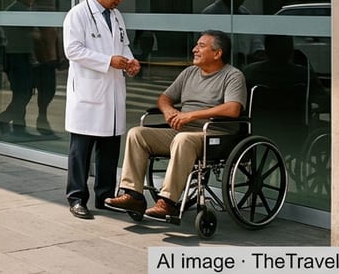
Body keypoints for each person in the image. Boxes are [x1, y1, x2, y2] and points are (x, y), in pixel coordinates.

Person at [105, 30, 247, 219]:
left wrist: (191, 116)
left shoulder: (232, 76)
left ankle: (167, 202)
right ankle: (133, 195)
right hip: (183, 132)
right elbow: (165, 97)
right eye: (196, 45)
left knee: (182, 139)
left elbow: (233, 109)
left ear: (217, 53)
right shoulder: (189, 72)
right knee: (137, 134)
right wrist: (169, 111)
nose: (195, 49)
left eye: (201, 46)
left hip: (215, 135)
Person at [63, 0, 139, 220]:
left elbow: (123, 44)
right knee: (80, 152)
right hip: (88, 93)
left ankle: (105, 196)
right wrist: (108, 61)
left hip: (112, 92)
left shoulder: (116, 16)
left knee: (109, 149)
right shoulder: (78, 14)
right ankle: (77, 198)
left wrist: (130, 61)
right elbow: (72, 50)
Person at [0, 0, 37, 135]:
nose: (32, 0)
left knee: (21, 92)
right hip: (18, 55)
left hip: (14, 54)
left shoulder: (12, 9)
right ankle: (5, 119)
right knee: (23, 93)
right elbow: (31, 32)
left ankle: (19, 126)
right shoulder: (20, 10)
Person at [202, 0, 264, 64]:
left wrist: (257, 54)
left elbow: (256, 44)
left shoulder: (246, 15)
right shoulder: (210, 15)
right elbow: (204, 51)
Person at [31, 0, 64, 135]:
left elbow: (57, 36)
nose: (50, 3)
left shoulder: (52, 14)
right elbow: (34, 36)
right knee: (43, 90)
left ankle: (42, 117)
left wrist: (60, 57)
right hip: (40, 59)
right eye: (48, 0)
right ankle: (42, 119)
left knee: (49, 90)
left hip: (50, 59)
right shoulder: (35, 14)